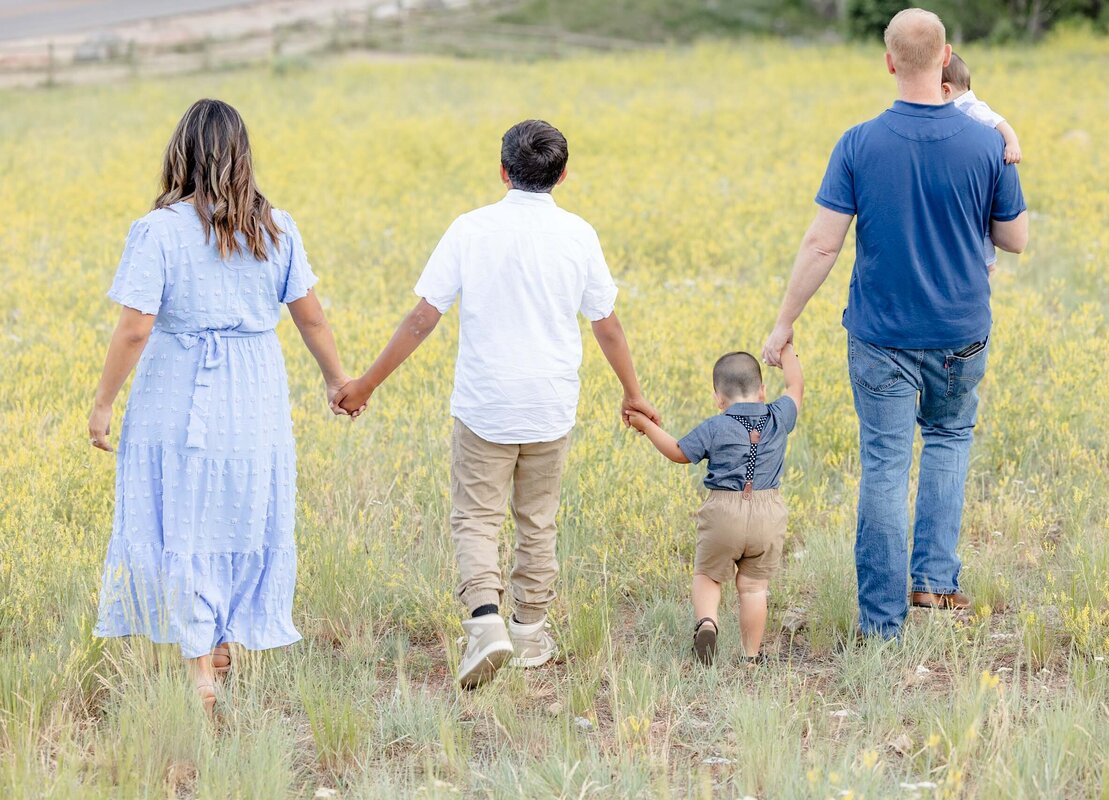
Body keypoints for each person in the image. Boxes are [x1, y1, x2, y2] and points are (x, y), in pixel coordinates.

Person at [333, 119, 659, 690]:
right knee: (538, 521)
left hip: (485, 406)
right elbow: (606, 325)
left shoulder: (470, 229)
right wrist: (633, 393)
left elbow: (422, 317)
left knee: (476, 517)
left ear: (503, 171)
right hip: (550, 407)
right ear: (561, 175)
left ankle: (486, 622)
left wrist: (364, 385)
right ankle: (530, 631)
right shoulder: (578, 234)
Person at [762, 8, 1028, 640]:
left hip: (881, 333)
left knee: (884, 464)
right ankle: (935, 582)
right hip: (961, 328)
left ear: (889, 61)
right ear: (946, 58)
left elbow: (823, 245)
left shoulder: (858, 142)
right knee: (948, 438)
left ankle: (882, 625)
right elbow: (1015, 238)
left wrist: (783, 324)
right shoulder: (987, 142)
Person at [88, 98, 356, 716]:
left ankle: (201, 674)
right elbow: (310, 314)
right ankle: (224, 640)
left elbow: (134, 329)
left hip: (176, 388)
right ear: (242, 155)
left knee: (182, 518)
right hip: (256, 391)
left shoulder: (158, 230)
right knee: (239, 511)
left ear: (180, 153)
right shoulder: (275, 226)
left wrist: (103, 403)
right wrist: (336, 380)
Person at [626, 346, 803, 665]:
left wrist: (646, 425)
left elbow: (679, 452)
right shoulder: (779, 415)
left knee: (708, 574)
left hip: (723, 511)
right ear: (762, 391)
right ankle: (751, 656)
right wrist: (786, 350)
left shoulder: (715, 425)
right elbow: (796, 386)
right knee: (753, 588)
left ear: (718, 398)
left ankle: (708, 622)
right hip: (768, 512)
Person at [942, 51, 1023, 271]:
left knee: (982, 231)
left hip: (979, 178)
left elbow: (1000, 123)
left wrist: (1012, 144)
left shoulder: (972, 108)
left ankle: (988, 266)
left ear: (946, 91)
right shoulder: (957, 106)